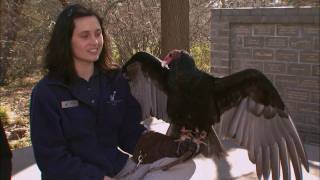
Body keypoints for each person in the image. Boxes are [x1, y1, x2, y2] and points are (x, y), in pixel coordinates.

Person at [30, 3, 195, 180]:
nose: (95, 42)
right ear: (66, 41)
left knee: (184, 166)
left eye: (98, 33)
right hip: (75, 176)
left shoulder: (114, 78)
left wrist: (169, 147)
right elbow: (52, 161)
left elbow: (128, 131)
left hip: (117, 167)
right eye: (85, 36)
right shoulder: (46, 93)